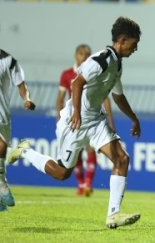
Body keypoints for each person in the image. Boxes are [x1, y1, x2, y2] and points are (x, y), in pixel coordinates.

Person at [8, 17, 142, 229]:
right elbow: (76, 83)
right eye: (134, 44)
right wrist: (77, 113)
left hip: (96, 122)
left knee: (122, 159)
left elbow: (118, 96)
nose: (136, 48)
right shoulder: (101, 60)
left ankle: (113, 214)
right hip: (75, 123)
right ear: (123, 40)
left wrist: (133, 118)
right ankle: (25, 151)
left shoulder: (117, 65)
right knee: (62, 173)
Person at [56, 44, 115, 197]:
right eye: (81, 53)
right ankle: (81, 183)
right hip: (73, 117)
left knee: (90, 149)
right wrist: (59, 119)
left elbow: (105, 98)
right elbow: (60, 99)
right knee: (75, 152)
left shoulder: (94, 71)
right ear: (76, 55)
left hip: (90, 116)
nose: (84, 56)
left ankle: (88, 183)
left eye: (87, 54)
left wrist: (110, 120)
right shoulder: (67, 74)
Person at [0, 50, 36, 213]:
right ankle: (2, 184)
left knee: (2, 147)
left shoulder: (8, 61)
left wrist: (26, 99)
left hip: (2, 115)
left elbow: (21, 85)